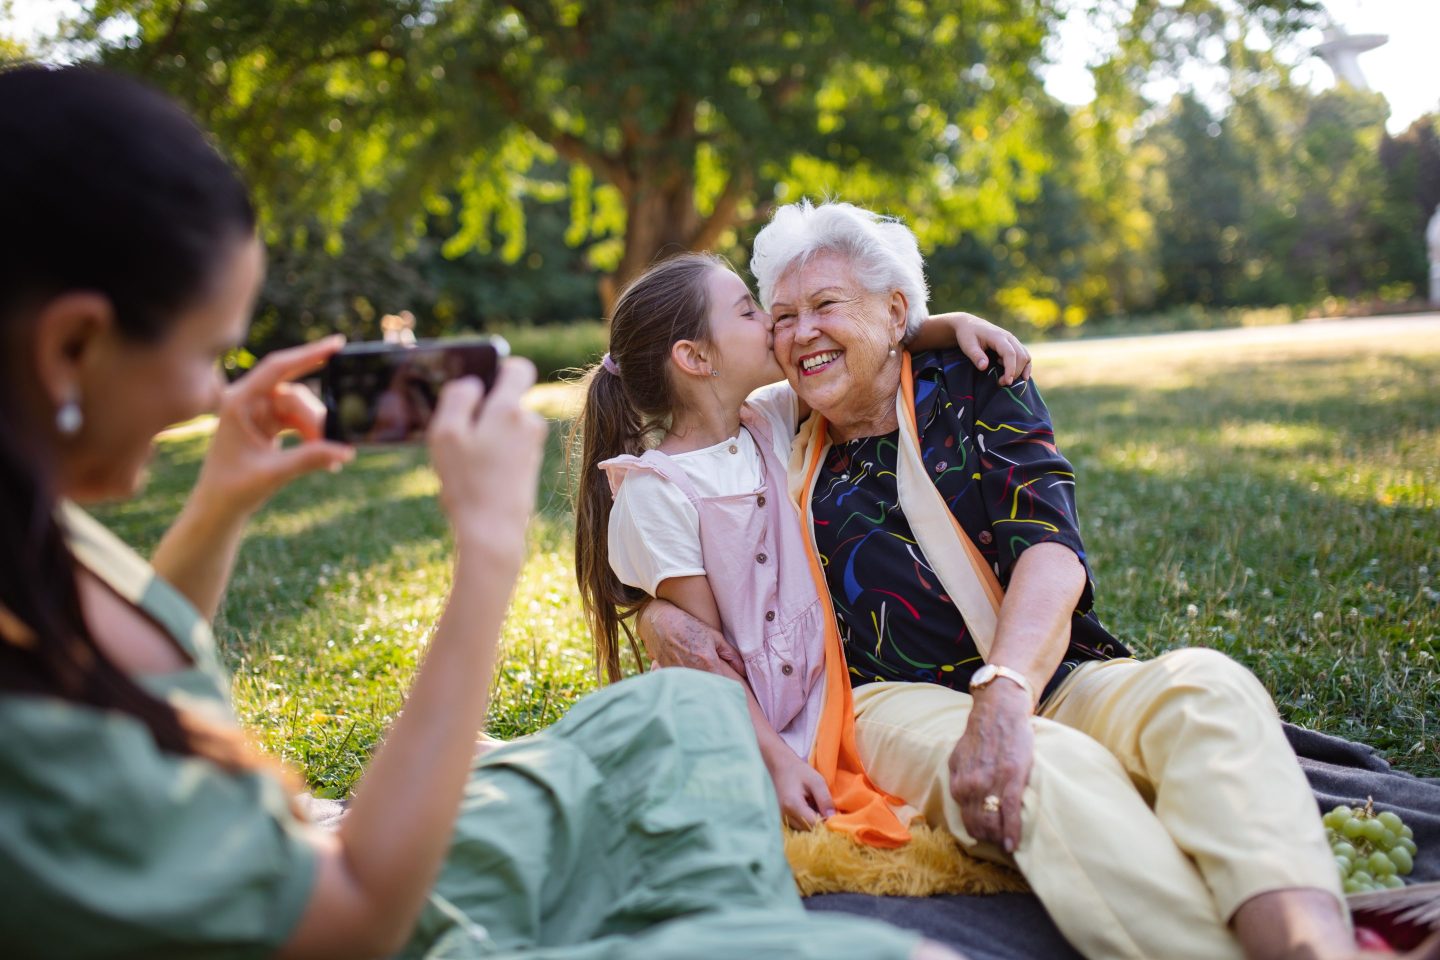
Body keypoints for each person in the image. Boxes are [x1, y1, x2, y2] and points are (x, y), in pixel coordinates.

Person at [0, 67, 963, 960]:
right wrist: (488, 553)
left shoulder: (35, 533)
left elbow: (130, 668)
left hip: (323, 857)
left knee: (676, 714)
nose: (212, 394)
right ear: (73, 345)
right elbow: (349, 919)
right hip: (365, 910)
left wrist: (218, 502)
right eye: (212, 352)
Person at [639, 200, 1440, 960]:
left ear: (895, 316)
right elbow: (676, 493)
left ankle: (1311, 937)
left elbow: (1050, 550)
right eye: (780, 317)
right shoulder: (773, 430)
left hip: (1041, 668)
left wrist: (1007, 686)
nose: (801, 333)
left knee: (1206, 688)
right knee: (1050, 772)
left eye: (826, 305)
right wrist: (654, 616)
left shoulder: (979, 382)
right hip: (881, 704)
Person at [572, 252, 1030, 832]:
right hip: (746, 728)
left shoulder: (769, 418)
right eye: (747, 311)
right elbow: (708, 662)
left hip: (825, 701)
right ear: (693, 357)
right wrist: (780, 763)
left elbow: (858, 345)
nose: (772, 321)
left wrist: (951, 323)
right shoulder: (656, 493)